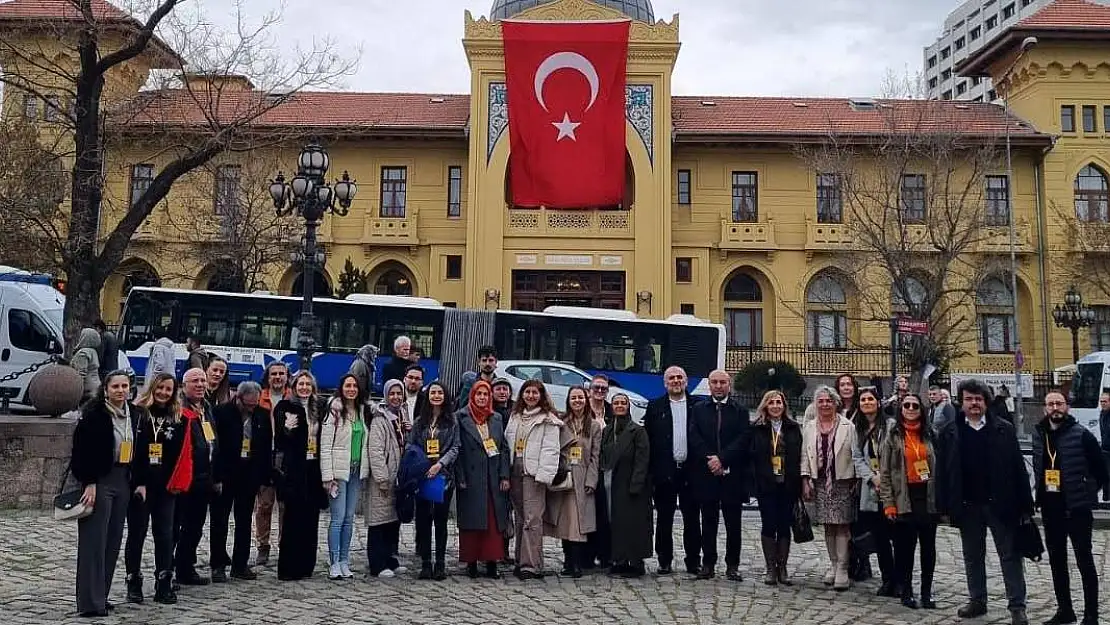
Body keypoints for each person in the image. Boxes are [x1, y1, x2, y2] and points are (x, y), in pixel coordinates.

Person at [935, 379, 1032, 625]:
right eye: (969, 399)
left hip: (1000, 503)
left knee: (1009, 555)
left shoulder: (1004, 428)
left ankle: (1017, 605)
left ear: (986, 401)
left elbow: (1018, 467)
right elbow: (943, 472)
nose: (974, 403)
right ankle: (977, 600)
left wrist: (1026, 504)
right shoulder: (950, 431)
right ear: (961, 401)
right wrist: (943, 504)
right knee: (972, 556)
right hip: (967, 504)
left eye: (978, 399)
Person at [71, 370, 142, 618]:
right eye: (116, 387)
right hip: (100, 480)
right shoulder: (94, 415)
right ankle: (90, 601)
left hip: (123, 479)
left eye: (125, 386)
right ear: (106, 389)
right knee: (94, 541)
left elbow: (139, 449)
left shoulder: (134, 413)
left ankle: (102, 594)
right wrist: (89, 482)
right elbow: (81, 451)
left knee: (113, 540)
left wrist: (139, 481)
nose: (121, 391)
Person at [1032, 391, 1108, 625]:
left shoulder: (1082, 435)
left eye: (1060, 403)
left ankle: (1091, 615)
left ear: (1067, 407)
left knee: (1084, 561)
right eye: (1051, 404)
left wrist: (1086, 491)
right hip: (1051, 508)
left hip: (1077, 508)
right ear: (1045, 408)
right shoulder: (1039, 434)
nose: (1055, 408)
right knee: (1057, 561)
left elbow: (1101, 470)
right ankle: (1065, 610)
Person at [125, 373, 185, 605]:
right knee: (137, 534)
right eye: (160, 388)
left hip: (166, 486)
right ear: (153, 388)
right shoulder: (139, 414)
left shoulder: (176, 418)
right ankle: (133, 581)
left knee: (165, 536)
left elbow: (179, 454)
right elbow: (135, 451)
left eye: (168, 389)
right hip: (141, 486)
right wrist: (138, 482)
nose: (163, 393)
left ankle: (164, 582)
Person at [688, 369, 750, 581]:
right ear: (710, 385)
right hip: (706, 474)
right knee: (708, 521)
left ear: (729, 385)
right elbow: (694, 436)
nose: (718, 386)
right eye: (714, 382)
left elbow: (743, 439)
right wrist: (711, 459)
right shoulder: (699, 409)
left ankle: (732, 565)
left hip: (732, 475)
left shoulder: (740, 410)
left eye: (722, 382)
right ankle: (708, 563)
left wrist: (723, 459)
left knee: (733, 523)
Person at [880, 392, 939, 610]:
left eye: (915, 405)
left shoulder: (930, 434)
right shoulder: (893, 436)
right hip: (904, 498)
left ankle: (926, 592)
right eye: (907, 405)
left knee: (928, 550)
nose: (911, 409)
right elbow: (885, 473)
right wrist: (888, 504)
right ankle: (906, 590)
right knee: (905, 550)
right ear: (901, 408)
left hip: (927, 499)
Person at [209, 382, 271, 582]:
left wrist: (263, 477)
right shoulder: (221, 413)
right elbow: (215, 447)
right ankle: (218, 565)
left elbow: (264, 447)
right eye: (248, 405)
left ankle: (240, 564)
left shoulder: (261, 415)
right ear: (238, 397)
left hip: (249, 476)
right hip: (225, 475)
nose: (251, 408)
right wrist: (216, 477)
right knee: (220, 522)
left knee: (244, 522)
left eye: (255, 404)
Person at [643, 365, 701, 575]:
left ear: (686, 381)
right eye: (672, 378)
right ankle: (664, 559)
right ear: (665, 383)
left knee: (692, 519)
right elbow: (648, 439)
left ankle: (694, 560)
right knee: (665, 519)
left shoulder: (698, 405)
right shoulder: (655, 406)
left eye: (679, 377)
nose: (676, 381)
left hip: (690, 470)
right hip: (664, 470)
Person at [801, 386, 858, 591]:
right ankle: (833, 564)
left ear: (835, 403)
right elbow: (805, 455)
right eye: (821, 401)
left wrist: (857, 479)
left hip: (842, 481)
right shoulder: (810, 426)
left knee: (842, 524)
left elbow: (855, 454)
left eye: (829, 401)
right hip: (820, 481)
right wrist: (805, 479)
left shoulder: (847, 426)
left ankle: (843, 568)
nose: (825, 404)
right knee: (827, 524)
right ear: (816, 404)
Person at [505, 379, 563, 579]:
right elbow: (508, 443)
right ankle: (520, 559)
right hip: (516, 469)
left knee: (533, 518)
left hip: (534, 473)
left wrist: (544, 476)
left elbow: (551, 450)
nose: (530, 396)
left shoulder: (548, 420)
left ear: (541, 396)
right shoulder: (515, 417)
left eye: (535, 393)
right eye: (527, 392)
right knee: (520, 518)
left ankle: (532, 564)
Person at [273, 371, 328, 581]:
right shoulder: (285, 407)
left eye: (308, 384)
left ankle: (306, 565)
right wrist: (287, 428)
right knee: (292, 518)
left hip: (314, 467)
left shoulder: (319, 407)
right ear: (294, 386)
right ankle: (289, 567)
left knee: (310, 518)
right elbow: (281, 438)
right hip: (294, 468)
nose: (304, 387)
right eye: (301, 384)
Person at [455, 380, 512, 579]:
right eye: (478, 394)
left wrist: (505, 475)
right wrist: (460, 476)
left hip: (492, 475)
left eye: (485, 394)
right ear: (472, 395)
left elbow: (504, 448)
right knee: (472, 521)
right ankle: (471, 562)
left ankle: (491, 562)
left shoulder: (496, 418)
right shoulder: (460, 417)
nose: (482, 398)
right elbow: (458, 450)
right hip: (470, 477)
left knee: (493, 521)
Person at [546, 386, 602, 579]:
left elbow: (596, 456)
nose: (577, 401)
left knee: (580, 525)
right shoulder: (562, 423)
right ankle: (567, 561)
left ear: (586, 400)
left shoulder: (593, 426)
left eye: (580, 397)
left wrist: (592, 481)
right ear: (568, 401)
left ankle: (577, 563)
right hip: (565, 478)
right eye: (573, 398)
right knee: (565, 523)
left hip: (583, 479)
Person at [749, 390, 802, 586]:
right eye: (771, 403)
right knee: (769, 524)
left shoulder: (793, 428)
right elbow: (752, 457)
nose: (775, 406)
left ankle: (783, 567)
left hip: (788, 484)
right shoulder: (757, 428)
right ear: (765, 406)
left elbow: (798, 455)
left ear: (784, 406)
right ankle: (771, 567)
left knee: (784, 525)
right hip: (766, 484)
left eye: (778, 402)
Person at [320, 374, 370, 580]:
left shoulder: (362, 411)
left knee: (350, 519)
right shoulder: (334, 411)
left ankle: (344, 560)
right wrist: (327, 475)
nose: (351, 389)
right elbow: (325, 446)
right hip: (338, 472)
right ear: (341, 388)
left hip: (356, 470)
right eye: (347, 385)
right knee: (338, 518)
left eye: (354, 386)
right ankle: (333, 562)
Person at [409, 381, 459, 581]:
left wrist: (440, 464)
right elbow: (411, 445)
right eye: (433, 392)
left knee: (440, 520)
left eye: (440, 392)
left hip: (442, 476)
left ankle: (440, 564)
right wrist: (422, 465)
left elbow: (456, 447)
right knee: (423, 520)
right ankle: (425, 563)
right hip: (423, 475)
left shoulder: (452, 421)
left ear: (445, 396)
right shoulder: (420, 421)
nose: (436, 395)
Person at [849, 387, 896, 593]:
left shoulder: (891, 425)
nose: (867, 402)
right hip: (871, 488)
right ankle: (888, 579)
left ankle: (900, 579)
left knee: (897, 535)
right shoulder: (856, 429)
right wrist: (871, 477)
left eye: (870, 399)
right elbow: (856, 458)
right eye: (863, 399)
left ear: (878, 403)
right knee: (880, 536)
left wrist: (884, 477)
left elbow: (896, 453)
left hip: (892, 486)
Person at [600, 393, 652, 578]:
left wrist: (636, 484)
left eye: (623, 403)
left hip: (631, 484)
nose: (620, 406)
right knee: (616, 524)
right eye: (616, 403)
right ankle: (619, 560)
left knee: (633, 525)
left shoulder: (637, 431)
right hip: (611, 483)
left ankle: (636, 562)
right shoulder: (606, 431)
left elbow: (642, 459)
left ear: (628, 407)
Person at [173, 368, 216, 587]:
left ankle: (185, 566)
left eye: (202, 381)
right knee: (176, 526)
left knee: (195, 526)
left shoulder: (207, 408)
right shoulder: (179, 409)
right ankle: (168, 568)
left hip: (203, 476)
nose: (200, 385)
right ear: (184, 385)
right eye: (195, 381)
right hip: (184, 477)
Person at [366, 379, 406, 577]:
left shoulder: (401, 417)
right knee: (379, 522)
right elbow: (376, 450)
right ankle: (377, 563)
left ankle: (390, 559)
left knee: (392, 521)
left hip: (398, 478)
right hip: (384, 478)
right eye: (392, 393)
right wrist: (382, 478)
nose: (396, 397)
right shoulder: (380, 419)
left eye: (399, 393)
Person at [255, 361, 290, 567]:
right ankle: (263, 546)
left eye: (281, 374)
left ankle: (284, 544)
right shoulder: (261, 398)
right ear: (268, 377)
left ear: (287, 377)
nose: (277, 377)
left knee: (285, 505)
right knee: (265, 504)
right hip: (265, 455)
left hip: (285, 455)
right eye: (274, 374)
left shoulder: (292, 397)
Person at [583, 375, 614, 570]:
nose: (600, 392)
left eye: (604, 389)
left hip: (607, 468)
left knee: (605, 513)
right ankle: (586, 554)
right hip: (587, 467)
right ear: (590, 389)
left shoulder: (612, 410)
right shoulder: (584, 410)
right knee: (587, 511)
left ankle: (605, 554)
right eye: (597, 388)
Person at [71, 328, 102, 403]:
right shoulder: (93, 351)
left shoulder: (83, 353)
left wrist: (76, 391)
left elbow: (81, 373)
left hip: (87, 390)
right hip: (96, 387)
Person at [1099, 392, 1110, 502]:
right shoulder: (1102, 414)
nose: (1102, 403)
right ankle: (1106, 498)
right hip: (1105, 449)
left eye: (1105, 401)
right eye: (1101, 401)